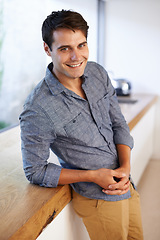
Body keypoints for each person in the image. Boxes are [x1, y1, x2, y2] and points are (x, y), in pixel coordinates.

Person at [19, 10, 143, 240]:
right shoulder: (38, 107)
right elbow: (35, 171)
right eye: (65, 48)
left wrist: (125, 167)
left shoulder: (97, 73)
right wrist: (93, 175)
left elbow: (118, 124)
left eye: (81, 45)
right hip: (99, 200)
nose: (76, 56)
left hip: (127, 184)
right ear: (48, 49)